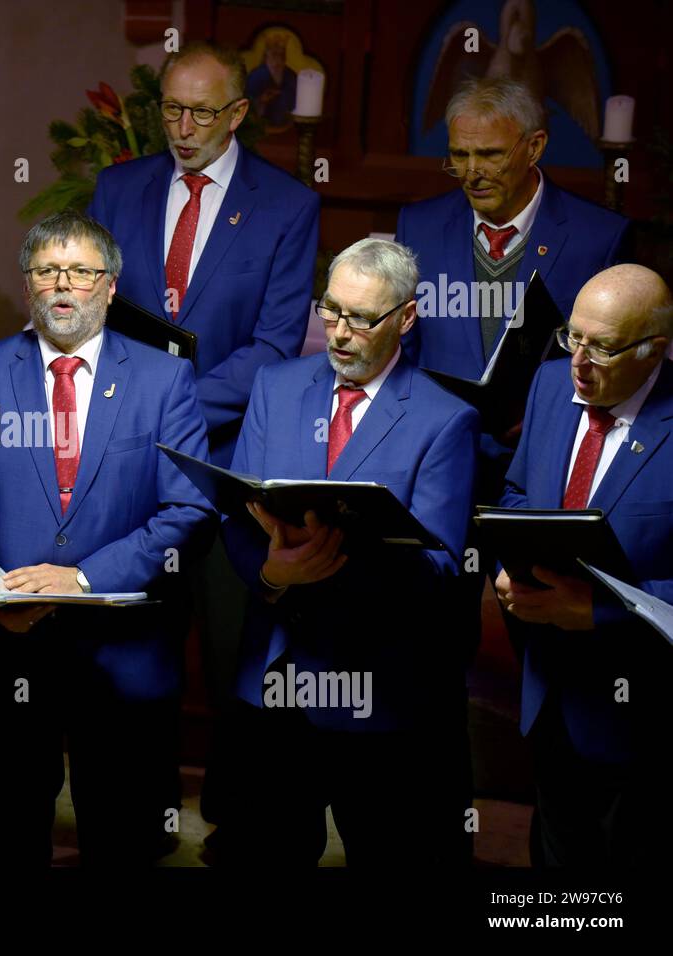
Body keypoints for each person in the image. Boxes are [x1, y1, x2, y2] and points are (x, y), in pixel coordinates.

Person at [0, 212, 215, 866]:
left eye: (81, 272)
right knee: (13, 830)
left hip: (122, 655)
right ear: (27, 285)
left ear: (109, 287)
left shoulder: (165, 380)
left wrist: (80, 579)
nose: (63, 285)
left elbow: (188, 510)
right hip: (8, 642)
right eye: (47, 271)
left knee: (121, 837)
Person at [217, 238, 480, 865]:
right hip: (275, 684)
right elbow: (238, 515)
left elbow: (443, 568)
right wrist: (271, 573)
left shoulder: (446, 420)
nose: (339, 333)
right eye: (330, 311)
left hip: (380, 696)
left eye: (361, 318)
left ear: (406, 318)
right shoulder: (275, 387)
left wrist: (326, 564)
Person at [495, 264, 673, 866]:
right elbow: (518, 492)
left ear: (654, 349)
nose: (580, 362)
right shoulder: (549, 385)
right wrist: (509, 562)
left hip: (645, 715)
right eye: (574, 337)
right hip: (548, 687)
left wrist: (598, 611)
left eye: (603, 347)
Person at [89, 39, 319, 462]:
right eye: (172, 109)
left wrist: (174, 412)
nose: (183, 128)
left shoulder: (287, 206)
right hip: (112, 437)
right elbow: (88, 307)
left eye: (203, 112)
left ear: (237, 113)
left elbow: (274, 344)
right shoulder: (116, 190)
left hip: (220, 449)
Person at [397, 76, 630, 390]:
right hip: (436, 433)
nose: (471, 174)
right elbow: (401, 350)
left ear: (534, 147)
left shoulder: (599, 238)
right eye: (460, 155)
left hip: (542, 434)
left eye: (491, 154)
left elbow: (611, 360)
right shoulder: (418, 227)